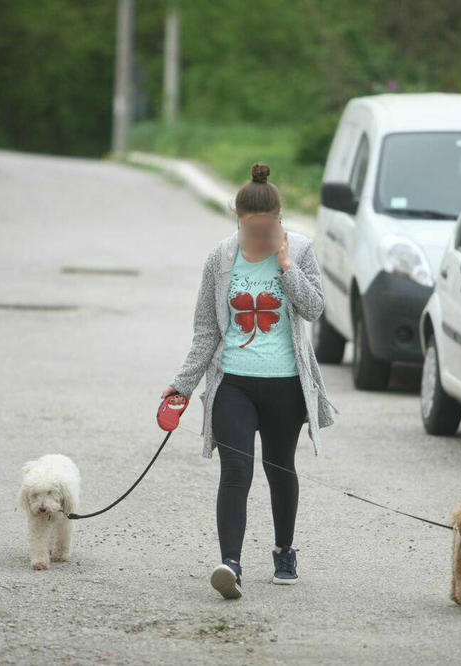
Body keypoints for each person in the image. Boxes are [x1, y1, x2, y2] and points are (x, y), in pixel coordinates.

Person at [162, 162, 337, 599]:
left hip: (286, 384)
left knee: (280, 469)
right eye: (250, 228)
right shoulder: (220, 258)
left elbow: (315, 309)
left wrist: (285, 266)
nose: (258, 235)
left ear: (279, 220)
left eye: (267, 228)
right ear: (237, 219)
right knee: (235, 470)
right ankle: (231, 566)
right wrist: (182, 385)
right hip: (234, 383)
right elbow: (206, 329)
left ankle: (284, 551)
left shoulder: (299, 249)